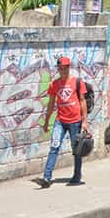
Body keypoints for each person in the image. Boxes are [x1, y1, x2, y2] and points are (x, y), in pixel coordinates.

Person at [34, 56, 89, 188]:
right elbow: (51, 104)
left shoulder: (77, 82)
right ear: (58, 69)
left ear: (69, 68)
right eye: (60, 68)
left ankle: (76, 175)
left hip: (75, 121)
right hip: (60, 121)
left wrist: (85, 122)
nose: (62, 71)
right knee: (54, 146)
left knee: (76, 149)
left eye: (65, 68)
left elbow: (82, 101)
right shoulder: (54, 84)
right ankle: (46, 178)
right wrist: (47, 121)